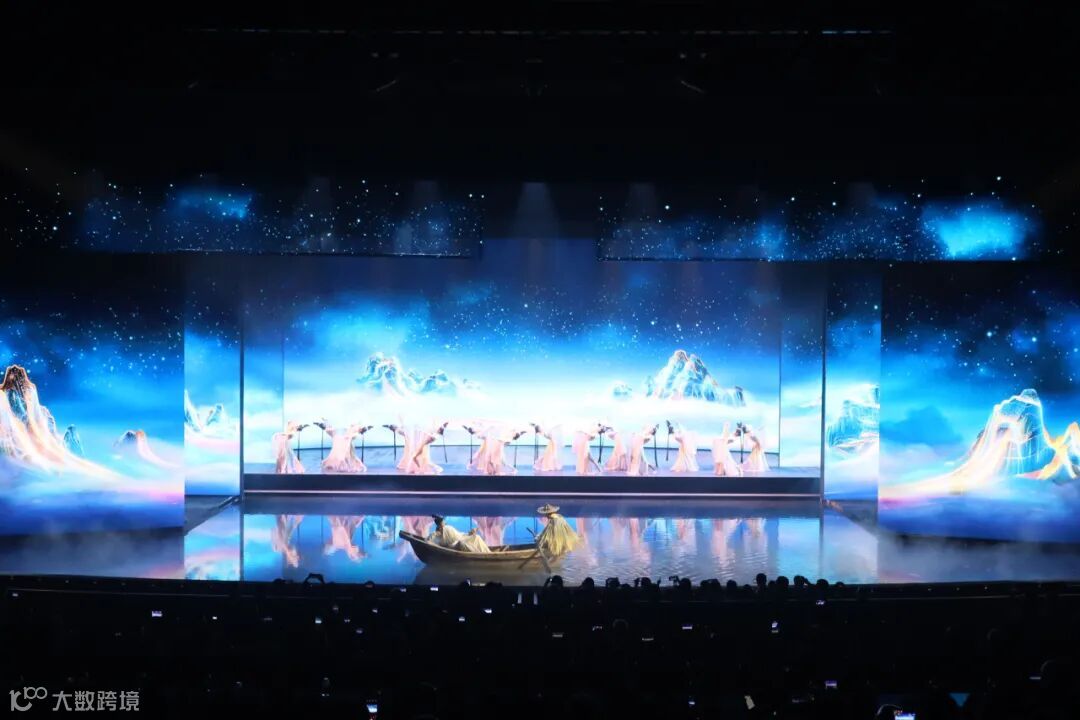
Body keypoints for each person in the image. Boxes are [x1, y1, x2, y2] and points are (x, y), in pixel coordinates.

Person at [426, 514, 491, 553]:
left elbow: (460, 535)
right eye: (442, 521)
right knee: (461, 543)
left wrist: (469, 534)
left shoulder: (447, 527)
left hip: (459, 539)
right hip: (454, 545)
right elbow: (430, 542)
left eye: (443, 521)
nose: (443, 522)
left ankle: (487, 553)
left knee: (476, 537)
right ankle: (481, 554)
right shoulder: (437, 533)